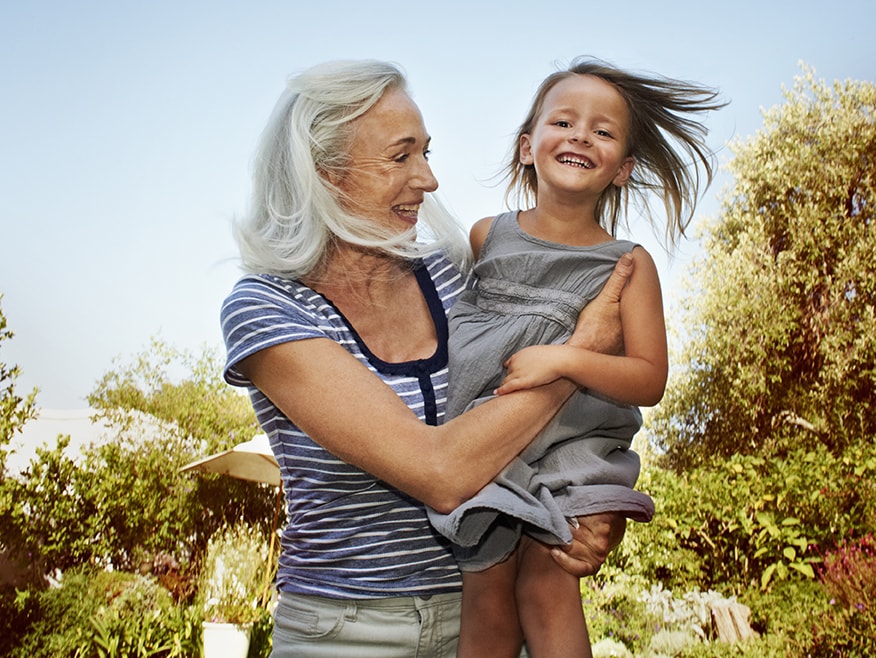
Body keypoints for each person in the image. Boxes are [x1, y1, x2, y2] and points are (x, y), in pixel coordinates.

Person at [220, 59, 634, 658]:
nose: (429, 179)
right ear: (325, 174)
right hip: (347, 634)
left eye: (427, 153)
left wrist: (592, 506)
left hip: (486, 619)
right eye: (401, 156)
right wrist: (575, 358)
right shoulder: (267, 308)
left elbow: (557, 430)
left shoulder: (454, 274)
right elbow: (438, 472)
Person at [428, 57, 726, 658]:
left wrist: (564, 361)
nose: (581, 136)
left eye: (603, 131)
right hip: (489, 436)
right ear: (526, 147)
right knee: (484, 589)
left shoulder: (628, 263)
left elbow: (649, 378)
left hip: (574, 447)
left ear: (623, 170)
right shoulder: (487, 235)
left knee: (547, 583)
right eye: (564, 121)